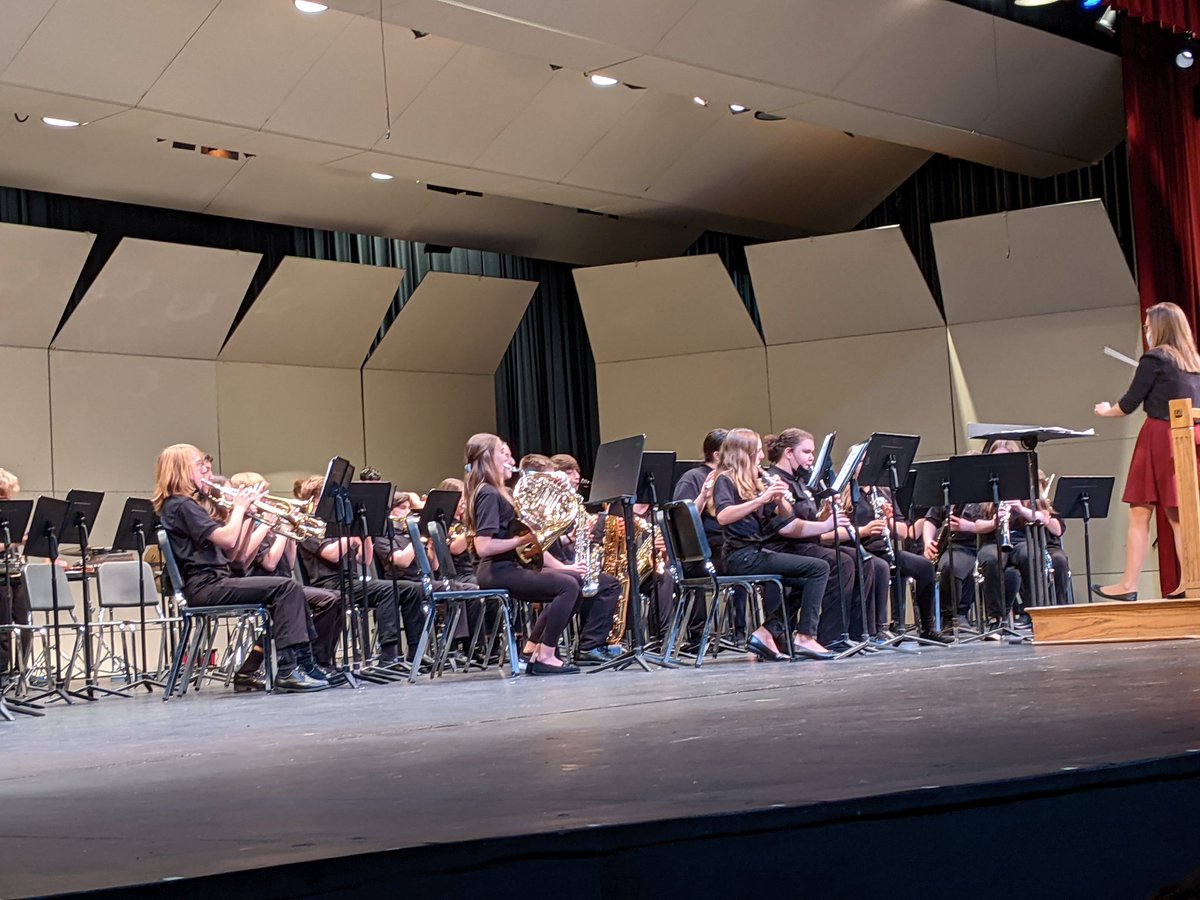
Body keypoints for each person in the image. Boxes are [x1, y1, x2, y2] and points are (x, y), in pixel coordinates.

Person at [152, 445, 327, 692]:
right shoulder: (180, 505)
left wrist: (246, 518)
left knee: (290, 589)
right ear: (181, 469)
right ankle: (288, 670)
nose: (205, 471)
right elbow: (226, 538)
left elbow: (235, 556)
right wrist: (239, 508)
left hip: (217, 580)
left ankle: (307, 665)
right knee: (286, 588)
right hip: (205, 586)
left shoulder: (189, 505)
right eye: (199, 465)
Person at [1094, 301, 1200, 600]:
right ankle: (1190, 582)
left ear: (1160, 326)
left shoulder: (1155, 358)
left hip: (1160, 437)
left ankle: (1128, 585)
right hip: (1188, 438)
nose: (1146, 329)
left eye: (1148, 324)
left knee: (1140, 513)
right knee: (1180, 516)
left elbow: (1128, 404)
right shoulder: (1193, 362)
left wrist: (1105, 410)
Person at [709, 428, 834, 661]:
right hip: (739, 556)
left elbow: (783, 515)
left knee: (809, 577)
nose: (761, 457)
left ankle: (768, 632)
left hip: (754, 552)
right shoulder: (724, 480)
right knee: (819, 567)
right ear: (743, 454)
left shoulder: (754, 483)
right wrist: (761, 498)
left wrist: (779, 497)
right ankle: (804, 636)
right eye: (756, 452)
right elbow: (724, 516)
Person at [464, 434, 580, 675]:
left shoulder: (501, 492)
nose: (511, 459)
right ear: (488, 458)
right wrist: (520, 540)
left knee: (574, 580)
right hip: (496, 570)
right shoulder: (487, 493)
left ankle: (536, 650)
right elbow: (483, 546)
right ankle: (546, 655)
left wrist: (562, 566)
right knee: (566, 587)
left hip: (507, 567)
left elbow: (532, 541)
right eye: (504, 454)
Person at [295, 475, 424, 666]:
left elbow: (365, 559)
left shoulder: (337, 523)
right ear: (315, 500)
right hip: (329, 583)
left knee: (410, 588)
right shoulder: (307, 525)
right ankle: (389, 655)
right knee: (388, 590)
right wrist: (350, 536)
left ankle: (417, 652)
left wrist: (365, 534)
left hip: (352, 581)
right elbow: (331, 553)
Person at [227, 471, 343, 683]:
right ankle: (312, 662)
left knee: (333, 597)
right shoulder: (251, 526)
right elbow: (268, 562)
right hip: (259, 585)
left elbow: (289, 563)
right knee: (326, 599)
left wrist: (290, 533)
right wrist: (276, 529)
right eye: (262, 494)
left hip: (283, 585)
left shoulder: (266, 526)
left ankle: (252, 668)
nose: (268, 499)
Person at [0, 468, 31, 678]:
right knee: (2, 629)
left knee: (24, 624)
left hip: (15, 575)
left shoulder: (10, 514)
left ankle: (21, 670)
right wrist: (13, 541)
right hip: (0, 578)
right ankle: (2, 673)